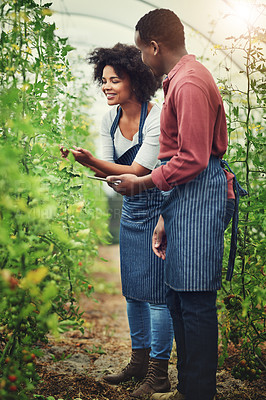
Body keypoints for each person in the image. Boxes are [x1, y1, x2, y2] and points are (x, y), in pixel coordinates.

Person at [106, 9, 237, 400]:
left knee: (195, 299)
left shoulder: (190, 83)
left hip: (201, 194)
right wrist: (165, 214)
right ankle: (187, 388)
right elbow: (180, 156)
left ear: (154, 46)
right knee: (179, 295)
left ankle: (198, 392)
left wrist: (143, 181)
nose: (141, 59)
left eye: (140, 50)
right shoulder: (178, 80)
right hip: (183, 198)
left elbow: (193, 158)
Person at [61, 43, 174, 398]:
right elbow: (116, 176)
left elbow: (139, 171)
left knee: (157, 295)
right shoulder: (108, 119)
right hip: (131, 210)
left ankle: (158, 373)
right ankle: (138, 363)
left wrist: (93, 162)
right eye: (104, 79)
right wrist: (95, 163)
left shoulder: (157, 117)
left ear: (136, 80)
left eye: (115, 79)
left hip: (157, 210)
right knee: (132, 294)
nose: (107, 86)